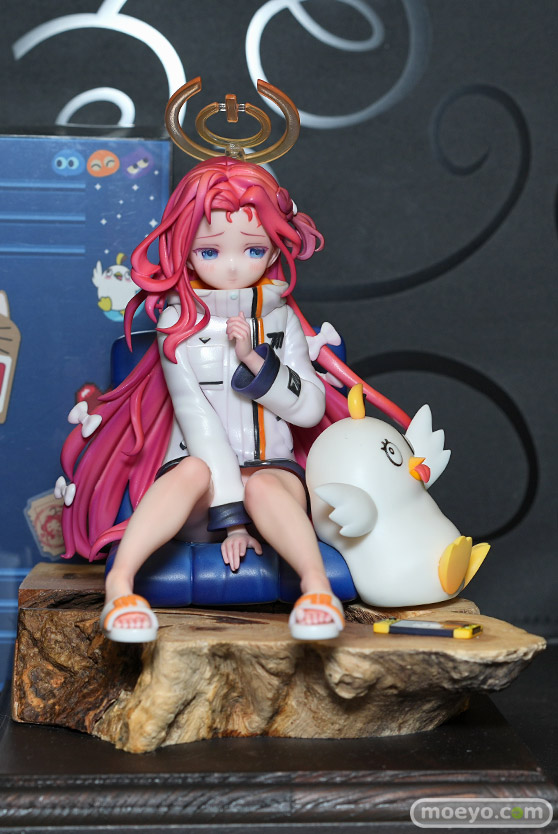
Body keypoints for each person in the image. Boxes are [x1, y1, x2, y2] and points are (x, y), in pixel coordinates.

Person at [59, 157, 408, 643]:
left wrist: (256, 362)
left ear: (274, 249)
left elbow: (309, 408)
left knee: (263, 485)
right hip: (203, 495)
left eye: (252, 249)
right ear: (184, 252)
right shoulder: (176, 325)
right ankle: (120, 589)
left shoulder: (282, 321)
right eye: (209, 250)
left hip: (273, 480)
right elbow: (197, 421)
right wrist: (231, 522)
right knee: (191, 469)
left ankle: (316, 590)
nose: (231, 265)